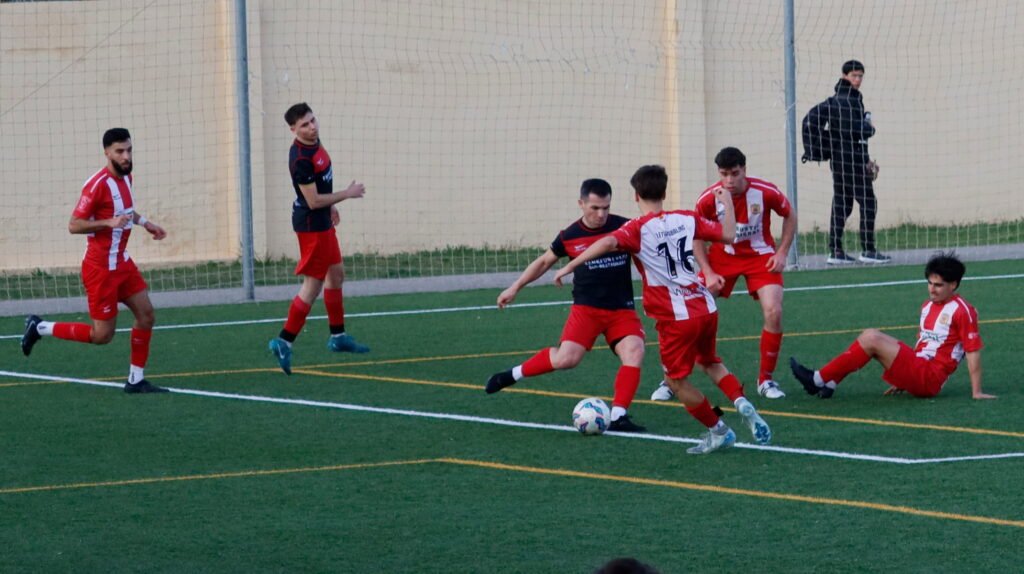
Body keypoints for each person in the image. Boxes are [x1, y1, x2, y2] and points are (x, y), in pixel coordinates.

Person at [554, 165, 772, 454]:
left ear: (636, 196)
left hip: (675, 317)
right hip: (705, 306)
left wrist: (570, 265)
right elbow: (730, 235)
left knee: (675, 381)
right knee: (709, 361)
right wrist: (728, 204)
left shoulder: (636, 228)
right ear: (665, 193)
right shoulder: (686, 218)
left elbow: (607, 242)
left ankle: (718, 430)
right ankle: (741, 401)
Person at [485, 179, 647, 432]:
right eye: (595, 208)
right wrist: (515, 287)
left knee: (634, 351)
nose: (601, 214)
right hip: (587, 310)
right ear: (581, 204)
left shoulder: (625, 227)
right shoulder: (569, 235)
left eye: (606, 207)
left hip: (621, 309)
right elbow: (543, 262)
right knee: (566, 359)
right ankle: (512, 375)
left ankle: (618, 416)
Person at [21, 128, 169, 393]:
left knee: (146, 315)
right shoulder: (97, 185)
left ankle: (136, 380)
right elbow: (74, 225)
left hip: (122, 262)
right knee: (102, 335)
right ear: (107, 153)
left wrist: (146, 223)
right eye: (120, 151)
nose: (126, 157)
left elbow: (125, 211)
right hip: (100, 269)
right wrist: (108, 223)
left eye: (129, 150)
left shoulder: (127, 176)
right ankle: (40, 327)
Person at [650, 147, 795, 401]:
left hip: (760, 257)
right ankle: (671, 380)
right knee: (687, 314)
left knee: (774, 311)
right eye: (724, 174)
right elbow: (695, 237)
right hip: (721, 257)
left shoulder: (765, 192)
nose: (729, 180)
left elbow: (790, 215)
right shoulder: (708, 199)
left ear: (744, 170)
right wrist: (707, 271)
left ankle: (766, 380)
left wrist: (782, 252)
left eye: (735, 173)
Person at [790, 253, 994, 400]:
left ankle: (817, 380)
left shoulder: (963, 310)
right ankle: (830, 383)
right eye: (930, 283)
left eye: (938, 285)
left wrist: (976, 392)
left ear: (954, 284)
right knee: (869, 338)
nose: (932, 289)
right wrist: (904, 377)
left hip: (930, 377)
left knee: (872, 338)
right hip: (919, 368)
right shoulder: (927, 306)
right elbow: (923, 344)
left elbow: (972, 351)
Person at [268, 102, 370, 375]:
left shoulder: (315, 142)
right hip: (312, 226)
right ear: (293, 129)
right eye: (304, 125)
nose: (312, 127)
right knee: (312, 286)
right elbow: (312, 201)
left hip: (323, 220)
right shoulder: (300, 158)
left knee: (336, 275)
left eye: (313, 120)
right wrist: (346, 194)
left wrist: (332, 205)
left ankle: (338, 337)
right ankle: (284, 341)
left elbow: (322, 184)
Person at [803, 60, 889, 265]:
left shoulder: (849, 99)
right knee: (868, 202)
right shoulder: (845, 100)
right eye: (854, 76)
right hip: (849, 160)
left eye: (860, 76)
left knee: (843, 204)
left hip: (844, 160)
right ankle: (868, 250)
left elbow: (854, 137)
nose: (857, 80)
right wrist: (869, 128)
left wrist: (866, 159)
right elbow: (853, 131)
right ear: (844, 76)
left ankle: (836, 251)